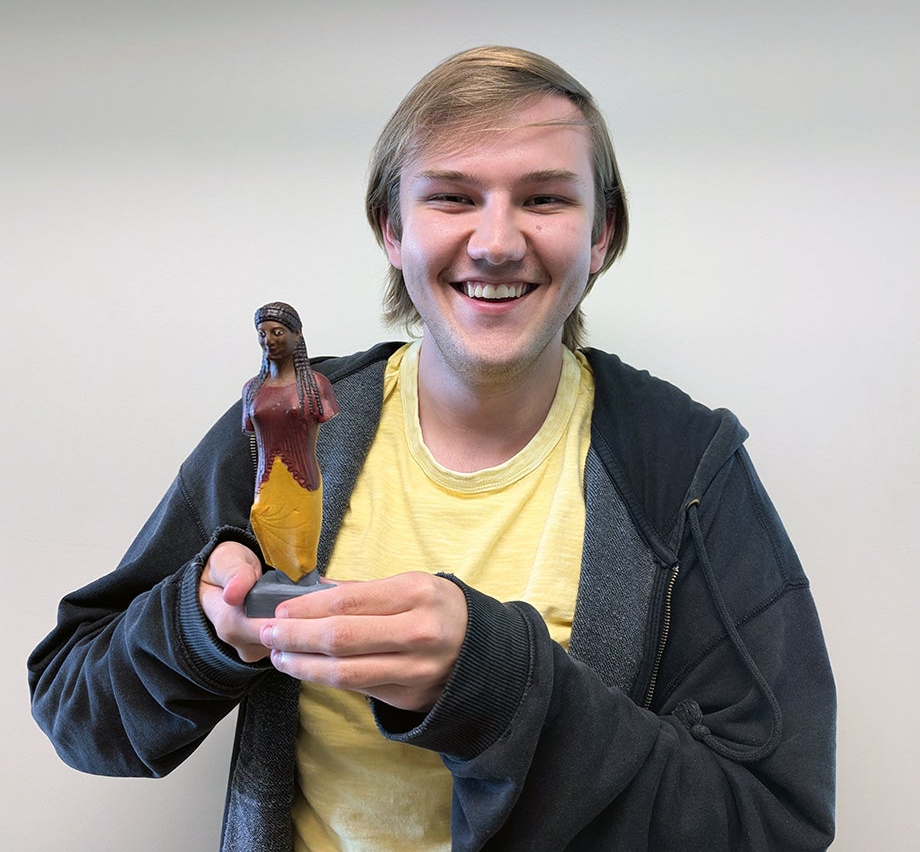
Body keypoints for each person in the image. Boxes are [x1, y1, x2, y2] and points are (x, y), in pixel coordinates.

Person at [28, 46, 836, 851]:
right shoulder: (284, 430)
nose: (495, 242)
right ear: (392, 228)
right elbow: (76, 712)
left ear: (602, 234)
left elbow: (772, 820)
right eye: (452, 197)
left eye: (545, 198)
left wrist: (492, 682)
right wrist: (198, 630)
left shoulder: (685, 466)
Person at [243, 301, 339, 615]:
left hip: (302, 479)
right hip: (267, 481)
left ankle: (304, 583)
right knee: (264, 525)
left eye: (278, 332)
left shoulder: (315, 386)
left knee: (301, 545)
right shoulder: (252, 389)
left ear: (297, 336)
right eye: (263, 333)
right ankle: (284, 582)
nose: (269, 340)